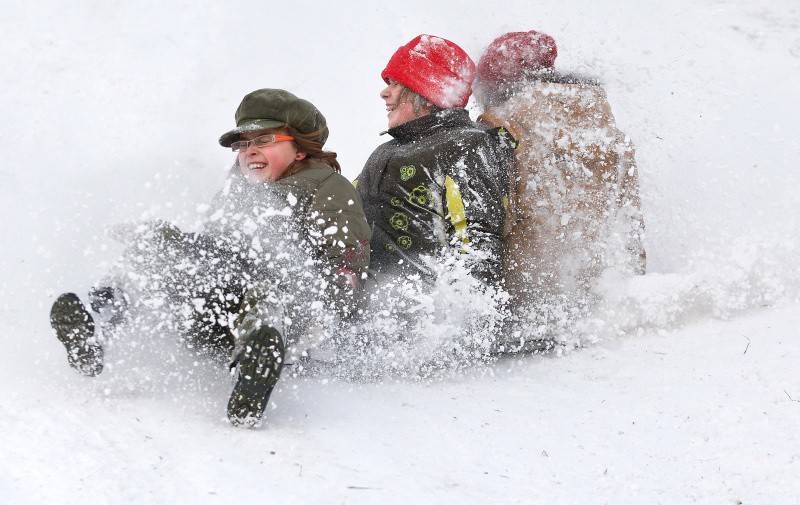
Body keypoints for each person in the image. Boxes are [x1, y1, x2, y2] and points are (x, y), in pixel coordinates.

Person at [49, 88, 371, 427]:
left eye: (264, 139)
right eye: (243, 144)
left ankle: (252, 371)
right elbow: (212, 245)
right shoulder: (237, 187)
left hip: (287, 316)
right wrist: (165, 240)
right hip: (215, 310)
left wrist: (316, 298)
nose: (250, 151)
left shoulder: (325, 186)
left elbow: (345, 268)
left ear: (301, 149)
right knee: (152, 250)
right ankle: (98, 326)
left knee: (268, 291)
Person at [473, 31, 647, 328]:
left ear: (497, 84)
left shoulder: (503, 128)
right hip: (598, 308)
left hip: (524, 310)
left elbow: (492, 220)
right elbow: (631, 222)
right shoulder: (607, 130)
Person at [355, 34, 515, 286]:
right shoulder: (384, 152)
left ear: (426, 93)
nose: (384, 93)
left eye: (396, 84)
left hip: (425, 312)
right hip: (367, 308)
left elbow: (477, 240)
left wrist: (462, 317)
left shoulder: (468, 145)